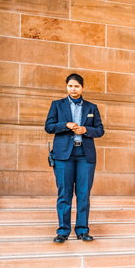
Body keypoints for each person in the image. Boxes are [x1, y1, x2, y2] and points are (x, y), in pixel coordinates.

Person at [44, 74, 104, 243]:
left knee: (83, 194)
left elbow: (100, 130)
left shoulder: (92, 107)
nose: (73, 89)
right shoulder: (57, 105)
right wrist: (66, 125)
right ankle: (63, 231)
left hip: (85, 155)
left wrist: (86, 129)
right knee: (64, 193)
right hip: (64, 155)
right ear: (66, 87)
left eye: (76, 86)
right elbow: (48, 126)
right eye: (70, 86)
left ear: (82, 88)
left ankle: (82, 230)